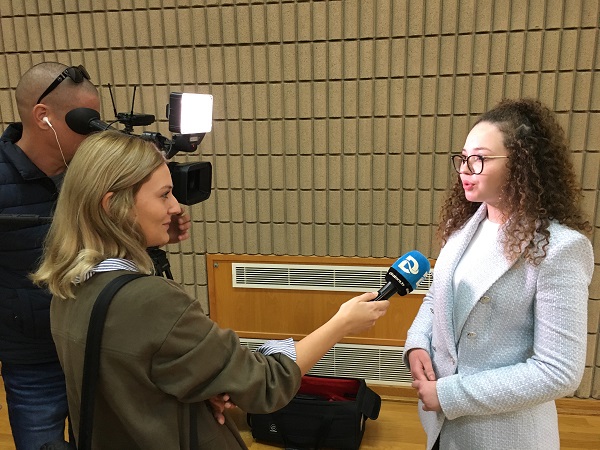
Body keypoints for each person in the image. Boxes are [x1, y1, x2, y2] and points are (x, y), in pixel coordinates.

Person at [31, 130, 390, 449]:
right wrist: (342, 324)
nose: (176, 207)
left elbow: (138, 378)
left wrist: (204, 386)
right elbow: (267, 383)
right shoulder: (151, 301)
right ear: (114, 206)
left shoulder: (67, 287)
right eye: (164, 195)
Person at [0, 62, 191, 450]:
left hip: (98, 345)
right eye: (85, 121)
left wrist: (155, 235)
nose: (95, 131)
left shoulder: (94, 175)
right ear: (43, 116)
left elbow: (112, 244)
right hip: (33, 356)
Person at [403, 98, 594, 450]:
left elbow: (559, 371)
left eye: (479, 159)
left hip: (503, 434)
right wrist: (416, 343)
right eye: (463, 158)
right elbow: (436, 298)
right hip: (441, 426)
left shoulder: (560, 248)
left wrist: (449, 394)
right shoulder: (461, 228)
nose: (465, 169)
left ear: (521, 164)